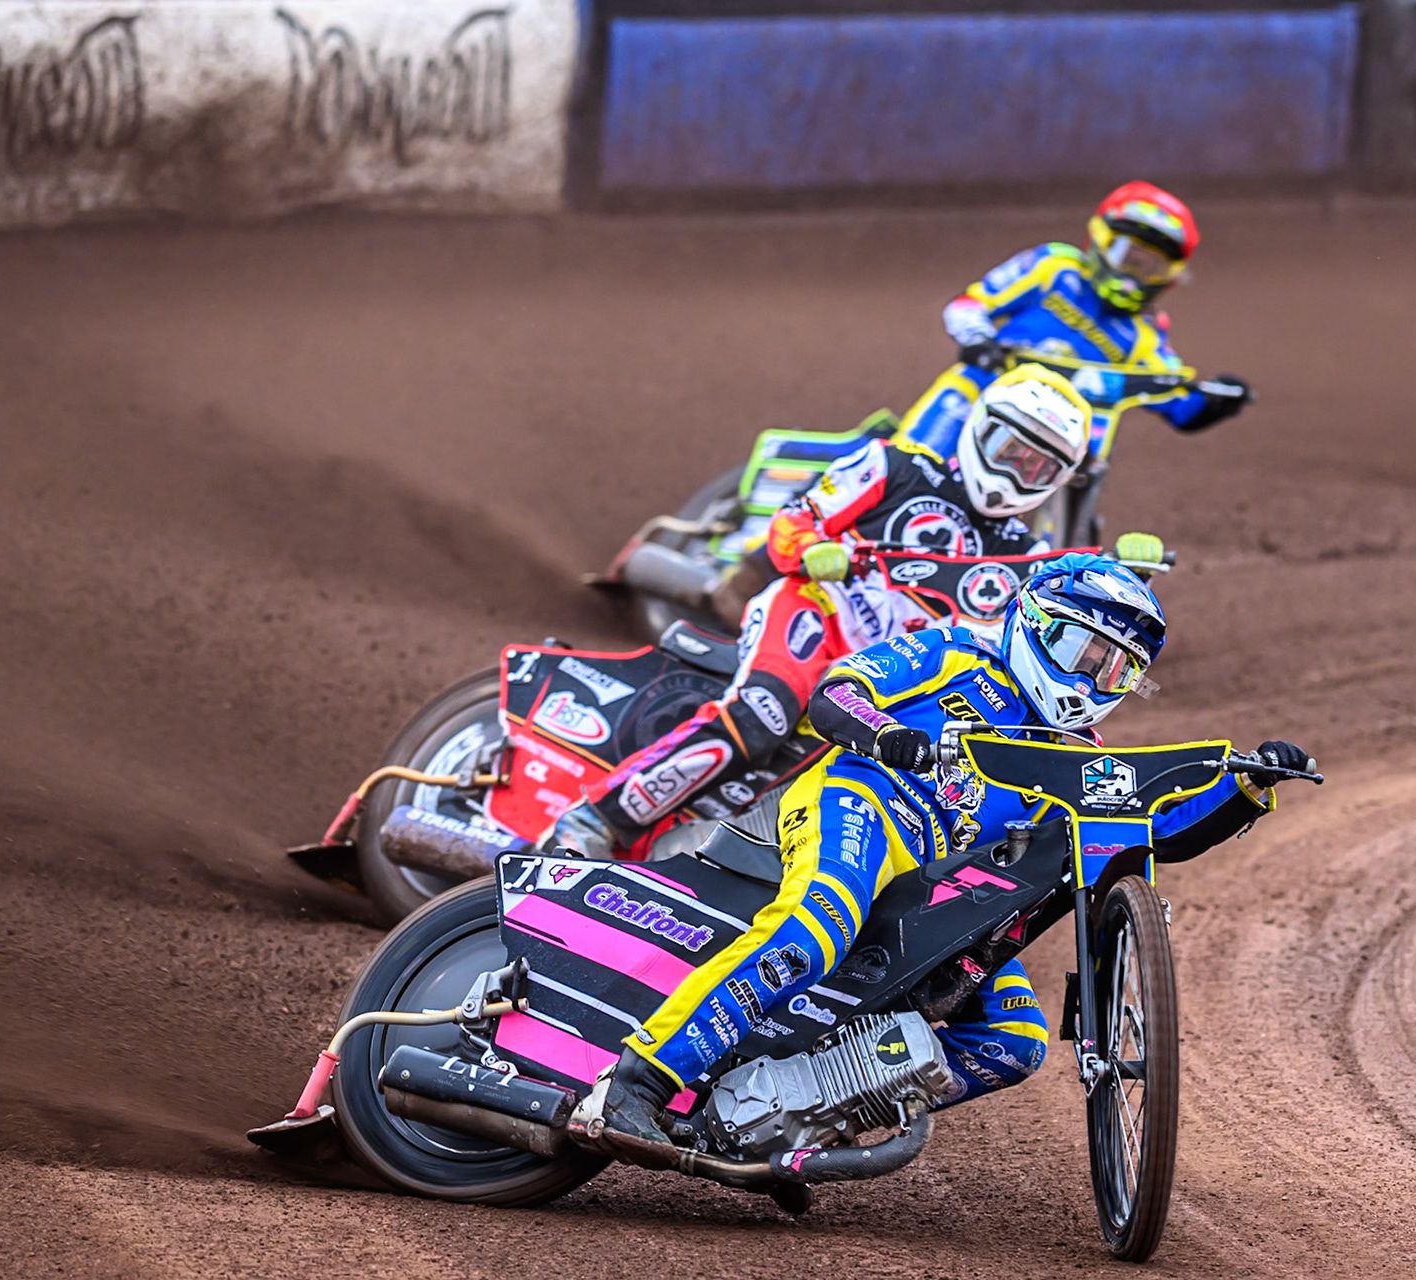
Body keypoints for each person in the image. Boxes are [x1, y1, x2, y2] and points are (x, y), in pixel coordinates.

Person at [594, 552, 1314, 1166]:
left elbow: (1156, 833)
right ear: (1035, 625)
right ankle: (640, 1081)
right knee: (815, 928)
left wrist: (1245, 790)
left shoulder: (1078, 756)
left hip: (943, 890)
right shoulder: (955, 654)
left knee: (1015, 1041)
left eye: (1115, 670)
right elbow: (837, 695)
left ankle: (790, 1119)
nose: (1092, 679)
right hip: (864, 803)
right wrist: (889, 737)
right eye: (1081, 653)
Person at [549, 365, 1168, 859]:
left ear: (1057, 482)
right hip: (817, 616)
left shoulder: (1030, 556)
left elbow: (1071, 599)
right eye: (1011, 449)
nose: (1018, 471)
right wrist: (814, 550)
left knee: (855, 775)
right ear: (980, 429)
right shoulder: (893, 465)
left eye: (1039, 466)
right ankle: (594, 818)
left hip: (882, 677)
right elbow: (789, 526)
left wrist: (1122, 570)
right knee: (761, 715)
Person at [899, 182, 1253, 461]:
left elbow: (1177, 403)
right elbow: (970, 304)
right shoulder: (1054, 268)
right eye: (1127, 256)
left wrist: (1216, 401)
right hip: (980, 393)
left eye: (1150, 266)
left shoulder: (1144, 337)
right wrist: (977, 338)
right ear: (1100, 241)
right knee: (914, 465)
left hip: (1063, 438)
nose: (1133, 274)